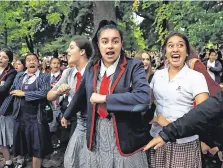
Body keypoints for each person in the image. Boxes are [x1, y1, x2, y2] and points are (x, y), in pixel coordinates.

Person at [61, 20, 151, 168]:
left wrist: (104, 99)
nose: (110, 45)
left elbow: (143, 98)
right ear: (98, 44)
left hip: (125, 139)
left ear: (121, 43)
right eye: (105, 41)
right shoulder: (92, 68)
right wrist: (66, 114)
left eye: (115, 41)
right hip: (97, 138)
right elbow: (80, 94)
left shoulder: (133, 66)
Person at [148, 32, 209, 168]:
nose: (175, 49)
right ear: (165, 52)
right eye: (170, 46)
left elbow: (204, 113)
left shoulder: (196, 77)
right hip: (157, 139)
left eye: (180, 45)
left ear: (187, 51)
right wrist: (150, 118)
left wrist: (169, 124)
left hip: (183, 142)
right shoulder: (158, 75)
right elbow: (148, 101)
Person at [47, 37, 92, 168]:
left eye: (71, 47)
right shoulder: (68, 72)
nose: (67, 51)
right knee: (72, 159)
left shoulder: (94, 71)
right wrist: (58, 92)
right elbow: (49, 96)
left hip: (92, 120)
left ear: (82, 51)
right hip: (73, 118)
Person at [10, 53, 53, 168]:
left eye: (34, 60)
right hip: (20, 116)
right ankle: (23, 163)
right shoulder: (19, 76)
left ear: (38, 63)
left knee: (37, 146)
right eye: (28, 60)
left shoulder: (44, 76)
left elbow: (45, 93)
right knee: (23, 145)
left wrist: (24, 93)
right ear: (25, 64)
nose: (31, 62)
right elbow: (13, 89)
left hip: (36, 117)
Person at [143, 90, 223, 149]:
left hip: (185, 142)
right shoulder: (158, 76)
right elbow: (205, 112)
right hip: (163, 136)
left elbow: (205, 113)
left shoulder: (197, 75)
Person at [0, 48, 17, 168]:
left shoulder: (11, 73)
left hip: (5, 109)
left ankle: (17, 160)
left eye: (4, 57)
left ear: (9, 60)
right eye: (0, 56)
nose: (0, 59)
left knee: (8, 137)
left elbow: (4, 90)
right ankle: (8, 162)